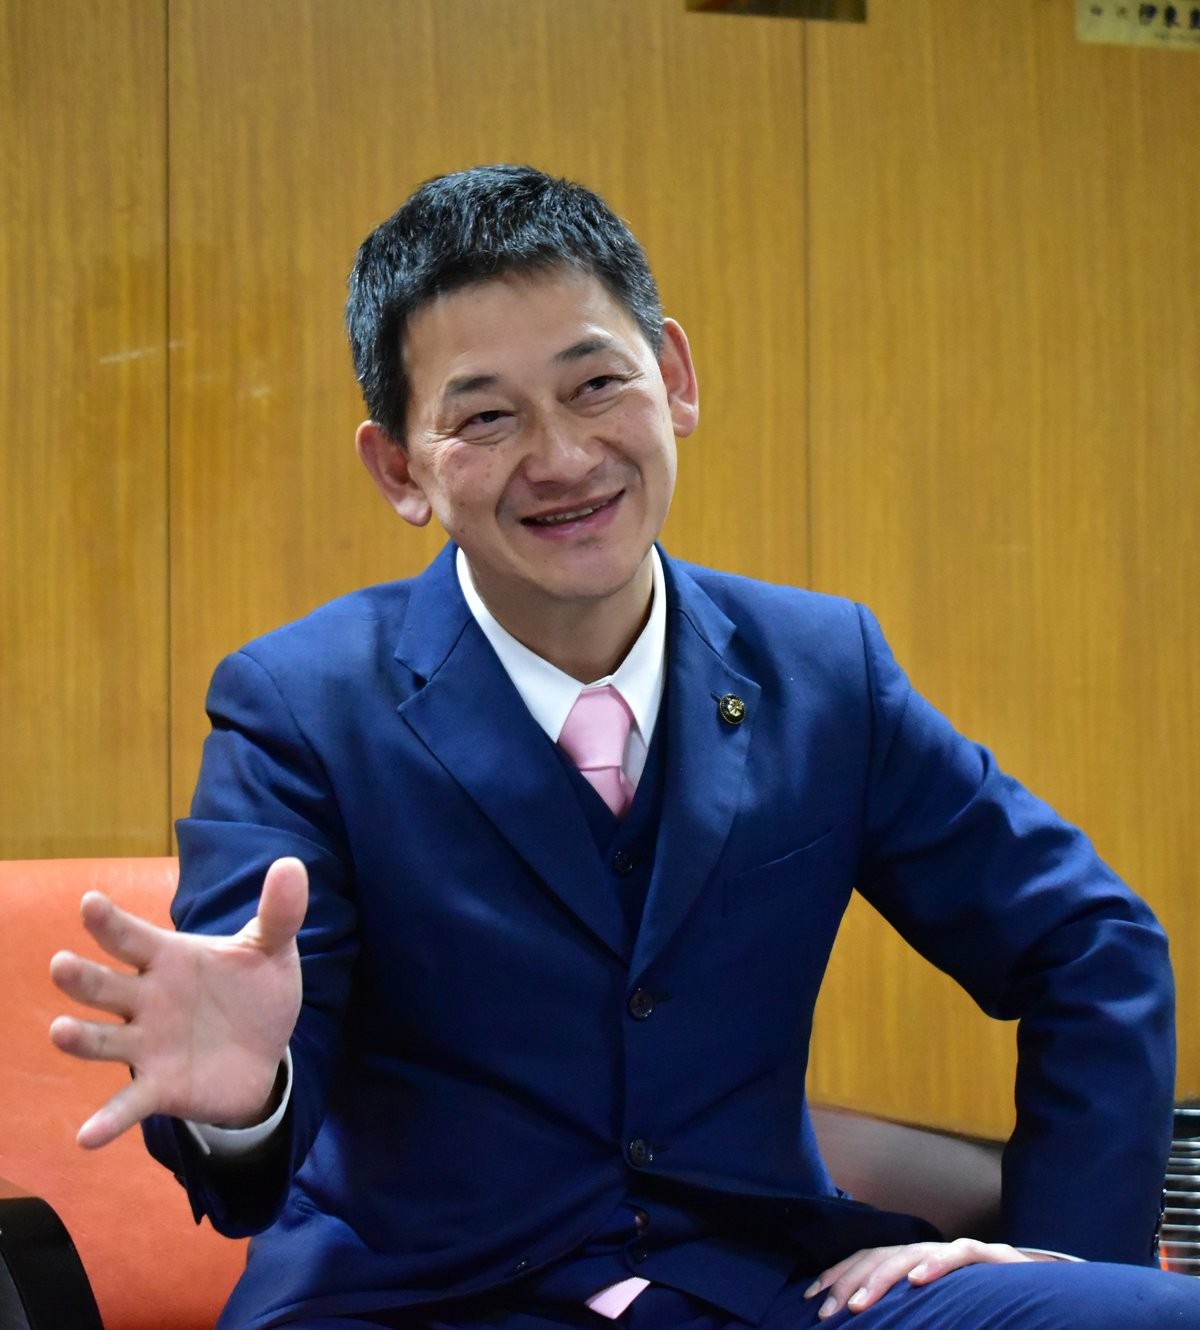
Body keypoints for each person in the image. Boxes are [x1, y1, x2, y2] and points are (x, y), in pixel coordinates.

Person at [49, 165, 1198, 1329]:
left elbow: (1088, 942)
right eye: (485, 416)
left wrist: (1059, 1251)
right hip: (425, 1301)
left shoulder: (821, 668)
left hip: (764, 1290)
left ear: (675, 378)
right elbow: (239, 1121)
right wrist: (245, 1101)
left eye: (596, 384)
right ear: (400, 468)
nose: (562, 456)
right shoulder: (300, 706)